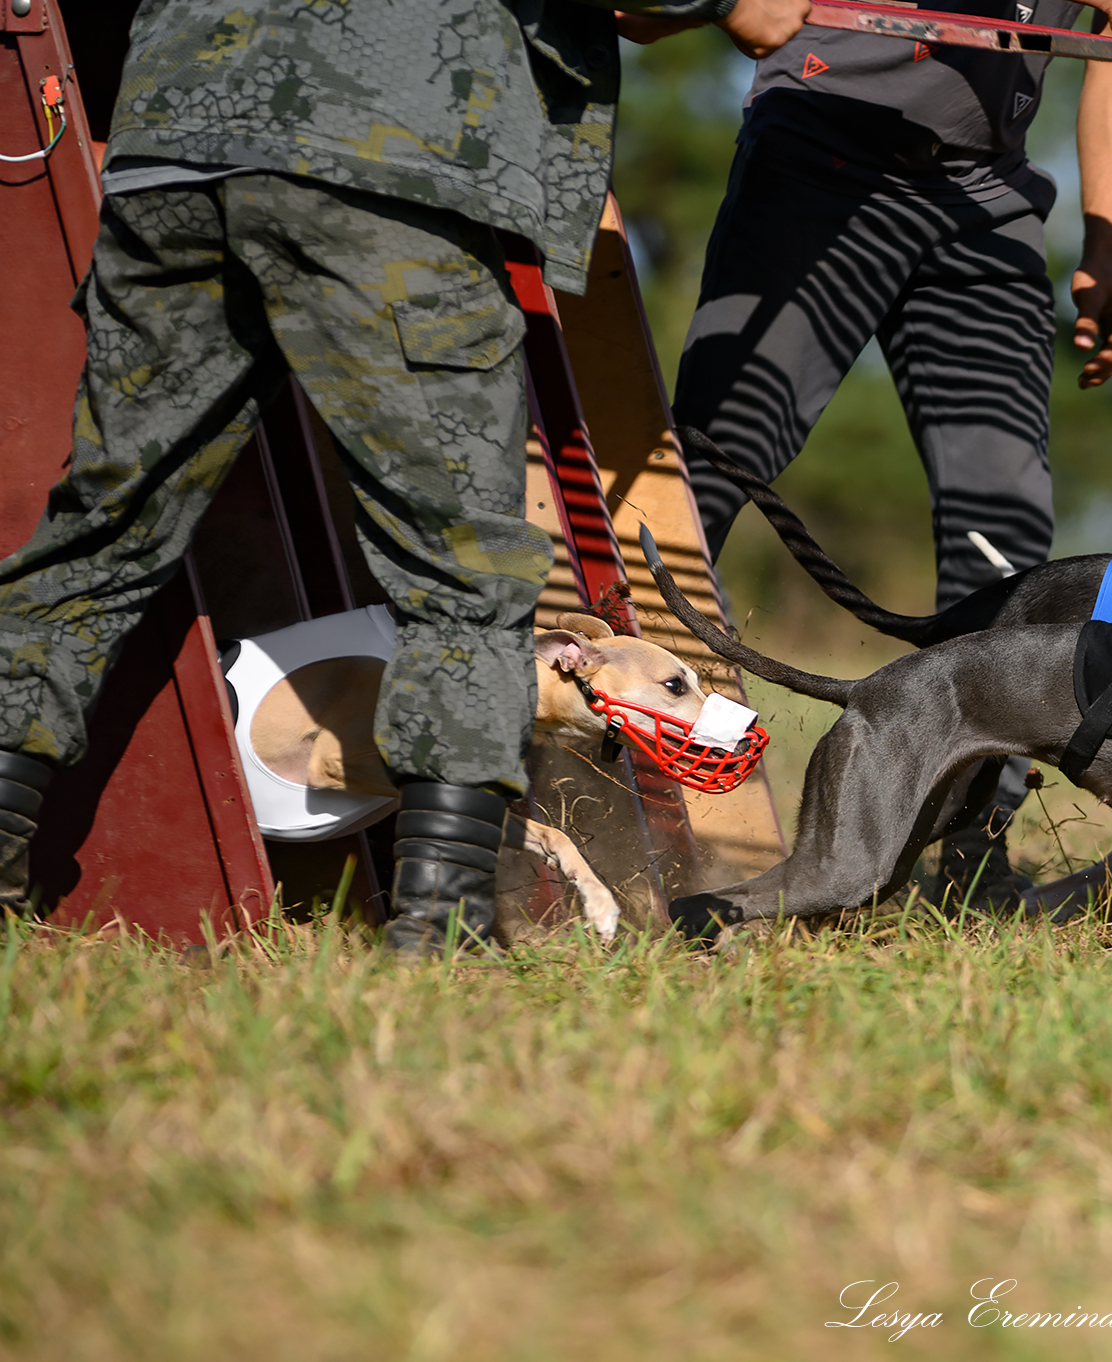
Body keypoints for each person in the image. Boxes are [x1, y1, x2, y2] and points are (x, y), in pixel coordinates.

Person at [0, 0, 808, 954]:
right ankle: (442, 931)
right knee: (465, 573)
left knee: (103, 528)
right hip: (387, 148)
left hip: (173, 141)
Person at [659, 0, 1112, 906]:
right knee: (714, 468)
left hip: (983, 202)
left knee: (1006, 545)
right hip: (822, 157)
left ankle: (967, 851)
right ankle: (585, 787)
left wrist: (1106, 242)